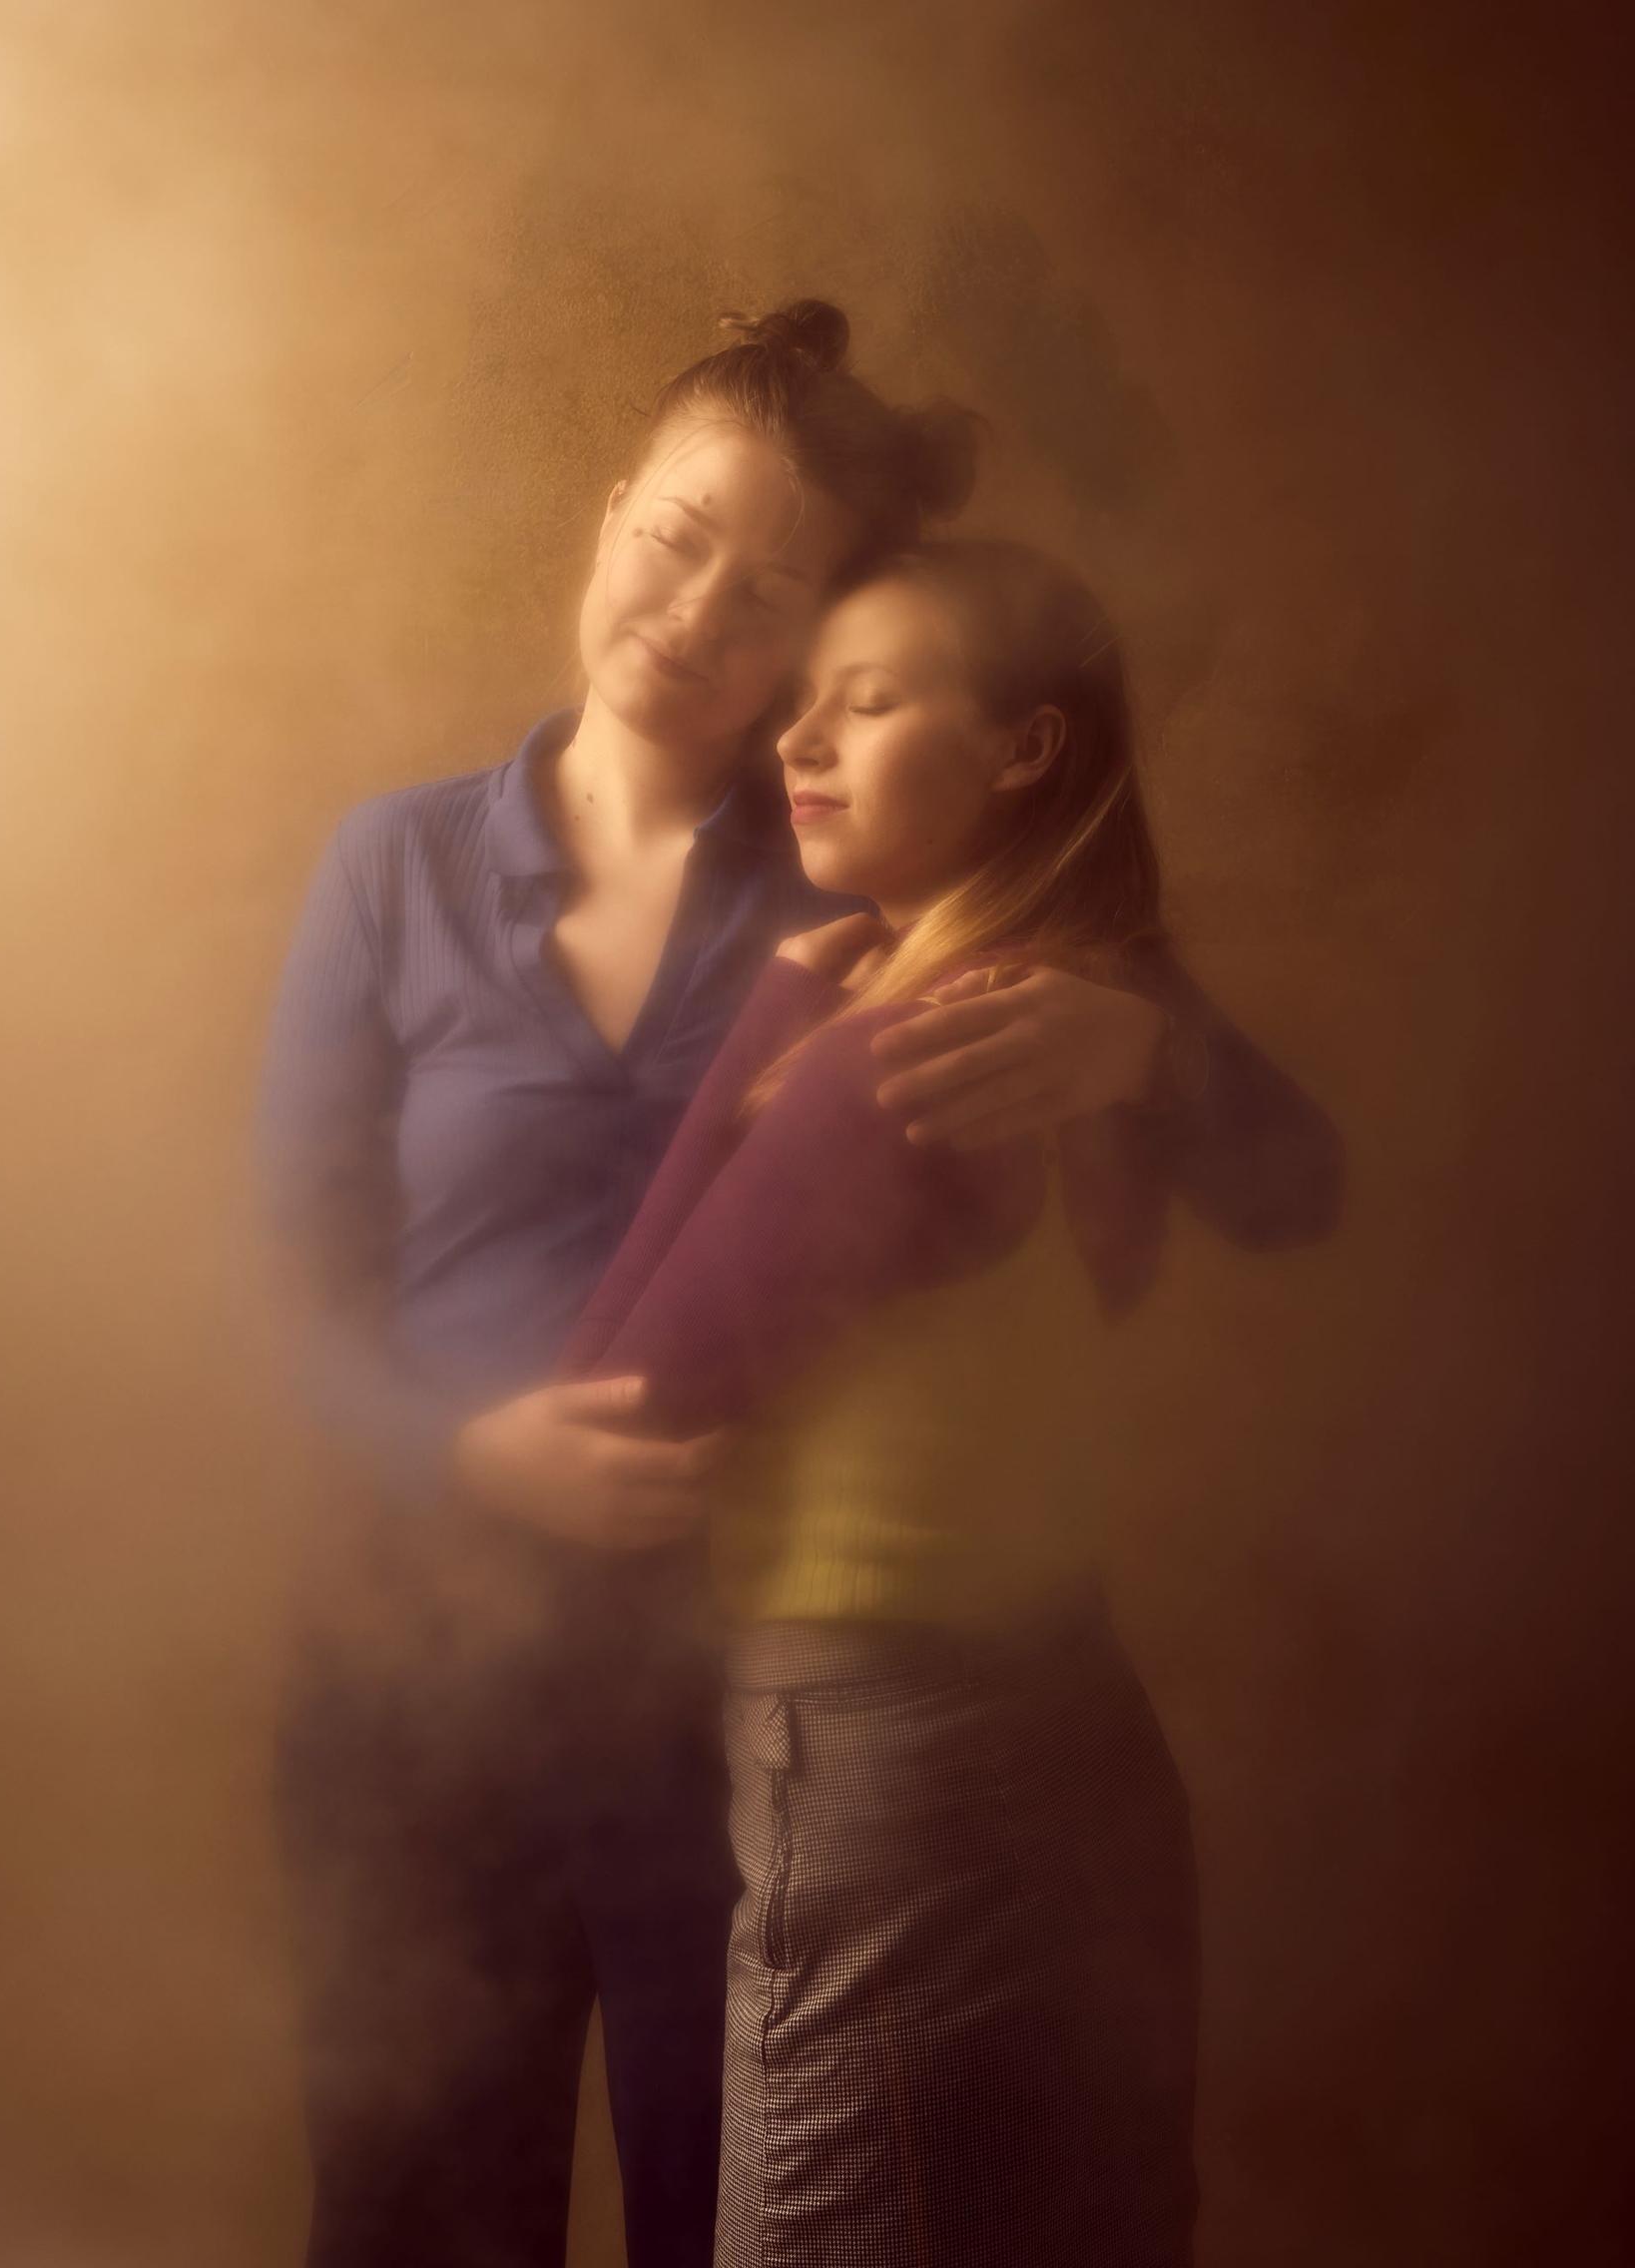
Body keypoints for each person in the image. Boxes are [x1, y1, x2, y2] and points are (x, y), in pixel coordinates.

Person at [259, 303, 1340, 2268]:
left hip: (734, 1708)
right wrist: (465, 1448)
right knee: (413, 2226)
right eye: (676, 539)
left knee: (742, 2218)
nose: (693, 615)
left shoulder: (884, 862)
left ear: (827, 638)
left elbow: (1293, 1188)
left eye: (770, 595)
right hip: (422, 1688)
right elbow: (289, 1296)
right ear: (612, 512)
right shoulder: (393, 866)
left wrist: (1143, 1048)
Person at [562, 537, 1286, 2266]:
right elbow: (1304, 1187)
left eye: (869, 703)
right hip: (1071, 1710)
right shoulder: (1082, 1002)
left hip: (882, 1748)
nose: (799, 742)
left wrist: (770, 1025)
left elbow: (621, 1399)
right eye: (803, 705)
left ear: (1025, 749)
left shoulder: (909, 1045)